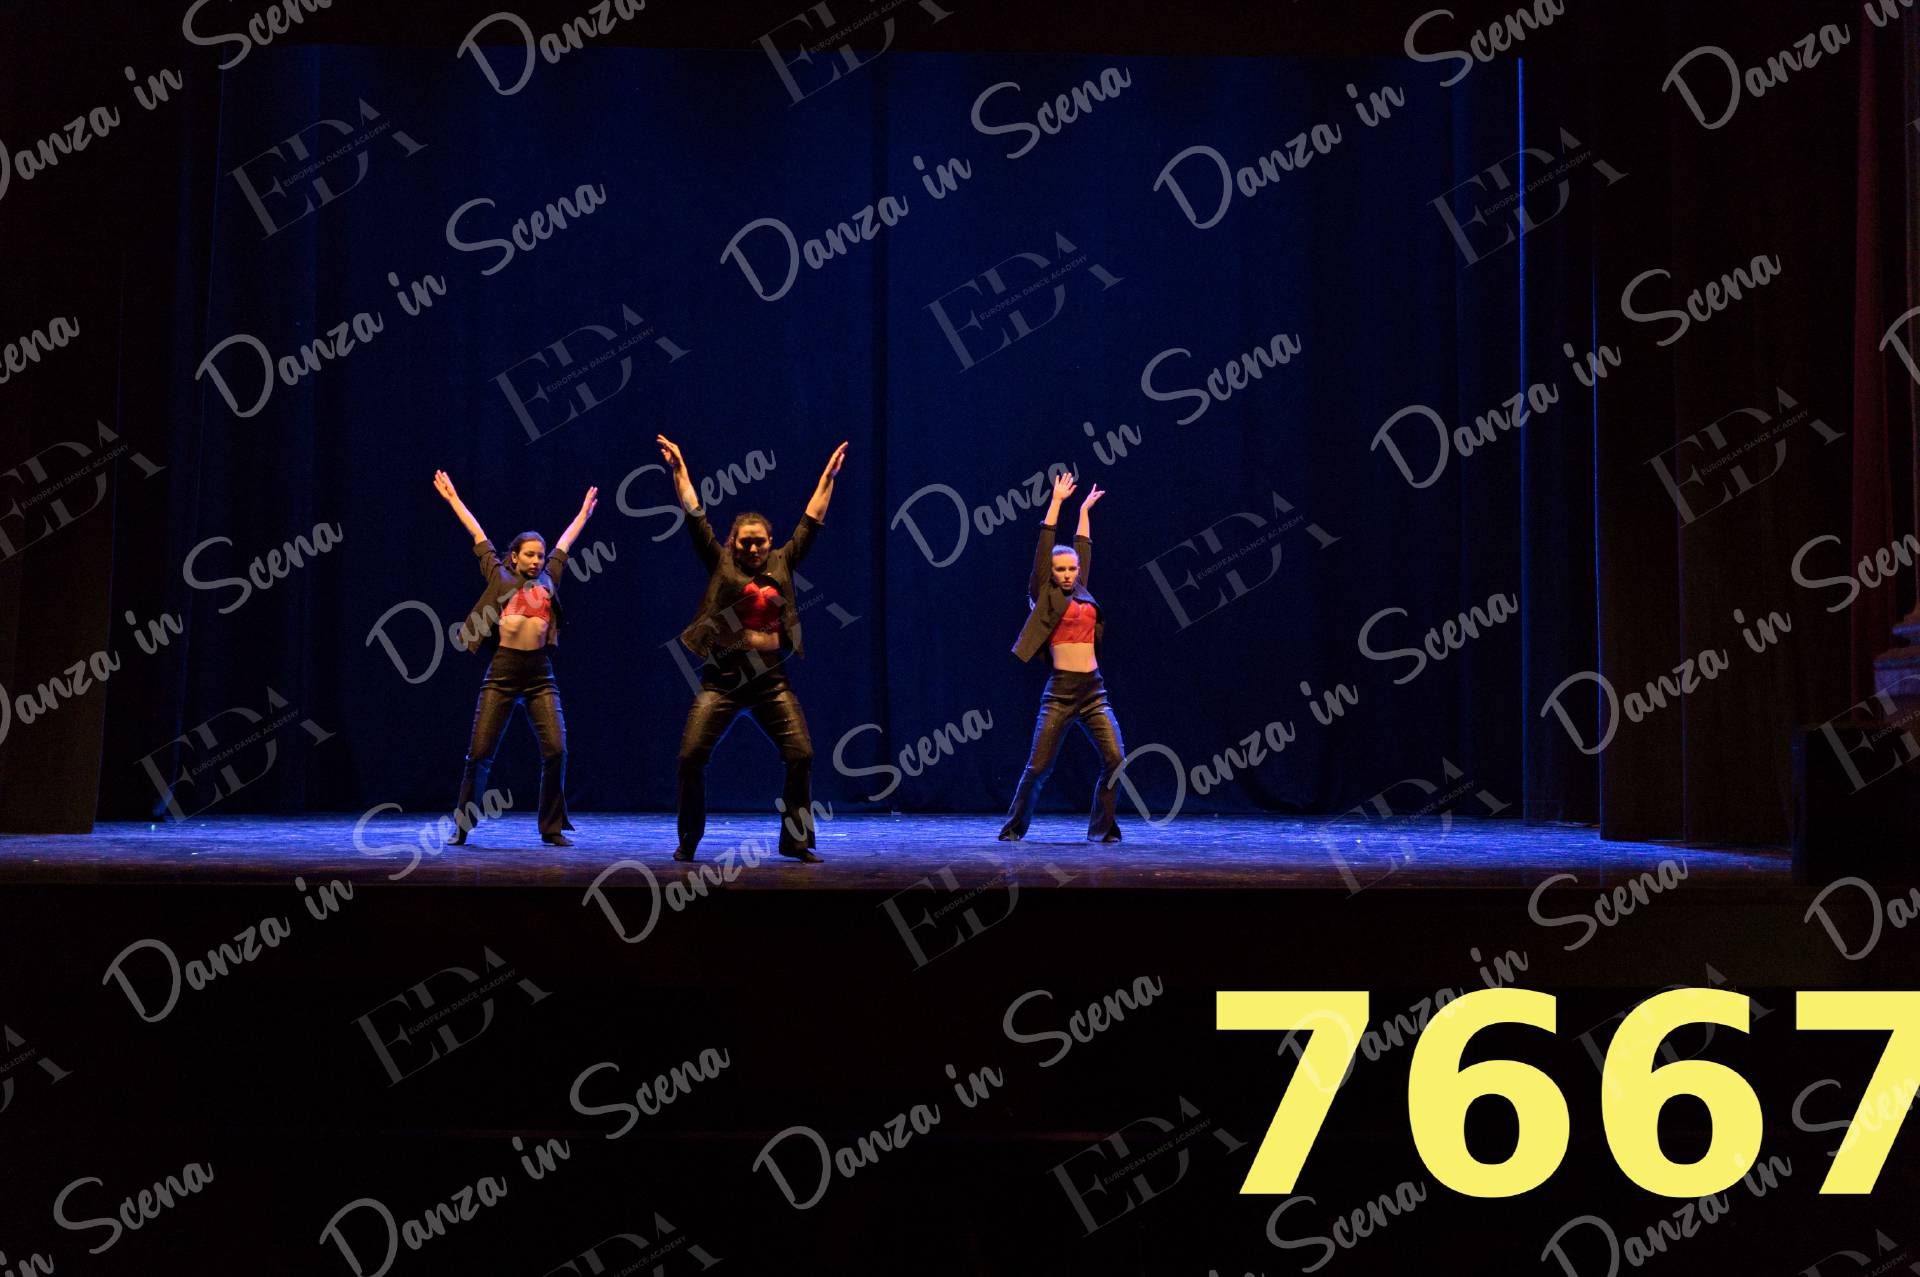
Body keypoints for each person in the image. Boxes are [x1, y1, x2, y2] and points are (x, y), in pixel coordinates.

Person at [659, 434, 847, 864]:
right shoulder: (721, 562)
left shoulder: (782, 561)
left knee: (801, 755)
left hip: (770, 683)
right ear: (733, 542)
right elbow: (694, 515)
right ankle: (688, 839)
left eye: (760, 541)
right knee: (690, 757)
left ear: (769, 541)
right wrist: (679, 470)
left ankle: (795, 842)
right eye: (745, 541)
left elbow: (812, 520)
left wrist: (828, 477)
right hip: (722, 681)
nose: (753, 547)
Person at [432, 470, 598, 847]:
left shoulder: (550, 578)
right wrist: (453, 499)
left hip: (540, 676)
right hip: (503, 673)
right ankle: (463, 825)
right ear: (515, 556)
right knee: (479, 753)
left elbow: (565, 543)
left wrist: (583, 515)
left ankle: (551, 828)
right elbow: (478, 535)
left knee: (556, 749)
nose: (537, 560)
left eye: (540, 555)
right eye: (530, 555)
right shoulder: (499, 575)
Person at [998, 473, 1125, 842]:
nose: (1067, 574)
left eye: (1072, 569)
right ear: (1051, 574)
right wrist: (1056, 502)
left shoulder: (1081, 589)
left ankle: (1102, 830)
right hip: (1061, 692)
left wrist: (1083, 510)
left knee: (1116, 760)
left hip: (1094, 690)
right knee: (1039, 766)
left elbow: (1083, 545)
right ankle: (1013, 829)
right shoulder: (1045, 594)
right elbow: (1044, 549)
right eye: (1060, 570)